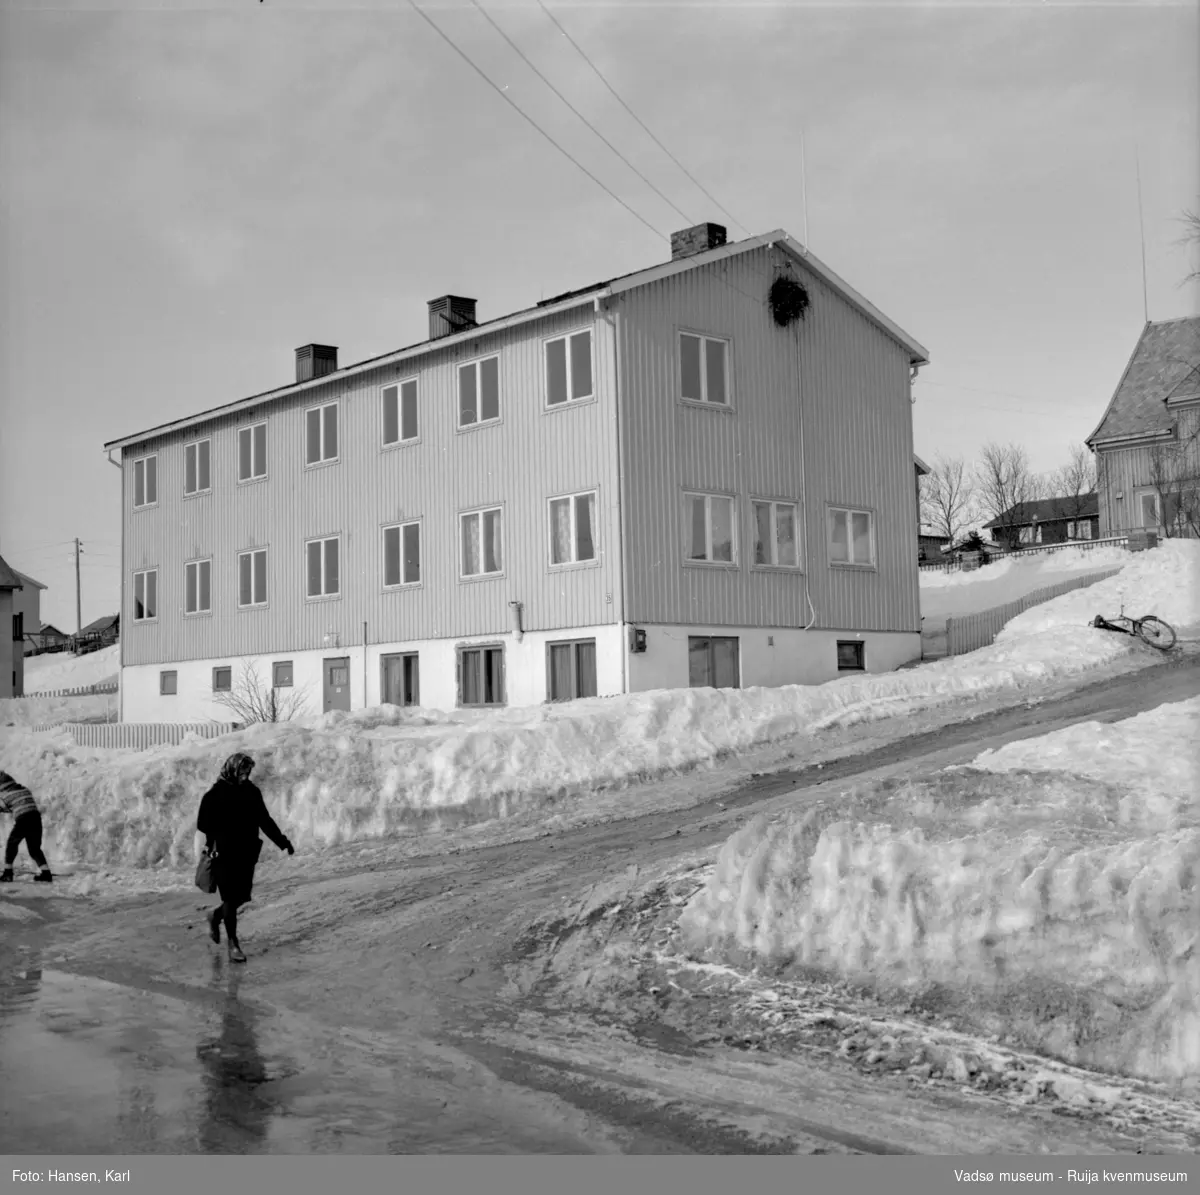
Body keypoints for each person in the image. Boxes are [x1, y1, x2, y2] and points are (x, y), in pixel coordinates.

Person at [196, 752, 294, 963]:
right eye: (242, 771)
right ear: (232, 769)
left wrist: (283, 841)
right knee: (231, 898)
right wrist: (216, 836)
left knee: (241, 897)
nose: (245, 776)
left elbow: (264, 820)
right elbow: (202, 824)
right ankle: (233, 943)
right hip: (224, 854)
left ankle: (215, 916)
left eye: (248, 772)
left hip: (246, 853)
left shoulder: (251, 792)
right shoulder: (215, 794)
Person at [0, 770, 53, 884]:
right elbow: (17, 803)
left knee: (11, 844)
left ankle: (8, 873)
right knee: (34, 849)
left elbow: (4, 807)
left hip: (23, 819)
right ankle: (46, 873)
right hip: (35, 818)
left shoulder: (5, 794)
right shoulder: (24, 789)